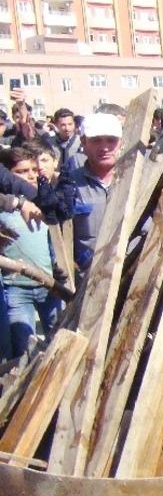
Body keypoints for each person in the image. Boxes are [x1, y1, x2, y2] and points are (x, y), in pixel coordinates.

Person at [0, 146, 62, 359]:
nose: (30, 175)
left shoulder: (44, 202)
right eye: (22, 171)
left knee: (59, 342)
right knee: (24, 349)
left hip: (49, 286)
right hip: (16, 289)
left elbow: (54, 244)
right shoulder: (5, 207)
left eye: (34, 170)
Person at [71, 113, 122, 275]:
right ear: (84, 142)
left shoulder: (140, 176)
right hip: (90, 277)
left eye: (111, 140)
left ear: (121, 142)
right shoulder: (71, 183)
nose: (105, 147)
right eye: (96, 140)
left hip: (134, 275)